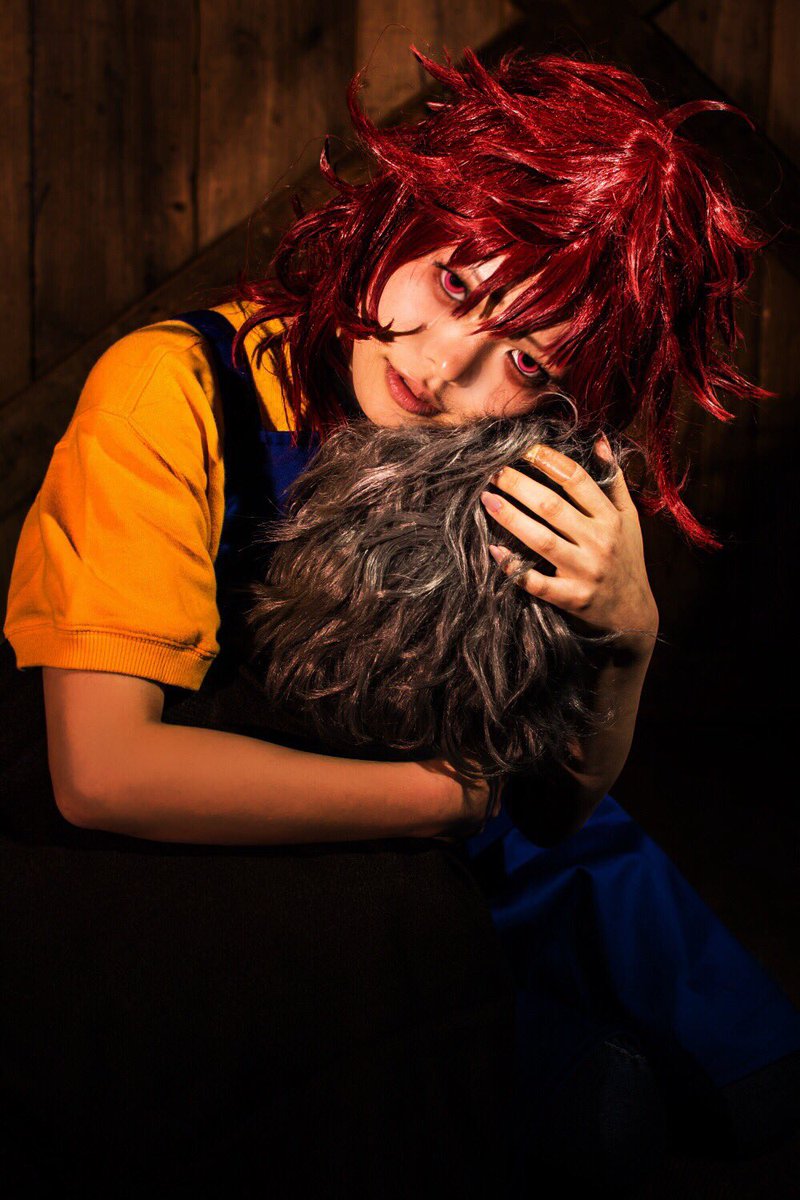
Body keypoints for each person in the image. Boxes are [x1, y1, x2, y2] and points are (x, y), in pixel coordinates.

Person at [3, 43, 800, 1197]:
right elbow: (101, 772)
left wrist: (623, 633)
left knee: (731, 1068)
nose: (441, 369)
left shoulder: (519, 458)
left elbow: (554, 798)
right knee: (527, 1078)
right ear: (406, 216)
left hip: (451, 817)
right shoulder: (173, 389)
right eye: (456, 287)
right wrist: (443, 800)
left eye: (521, 358)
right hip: (199, 817)